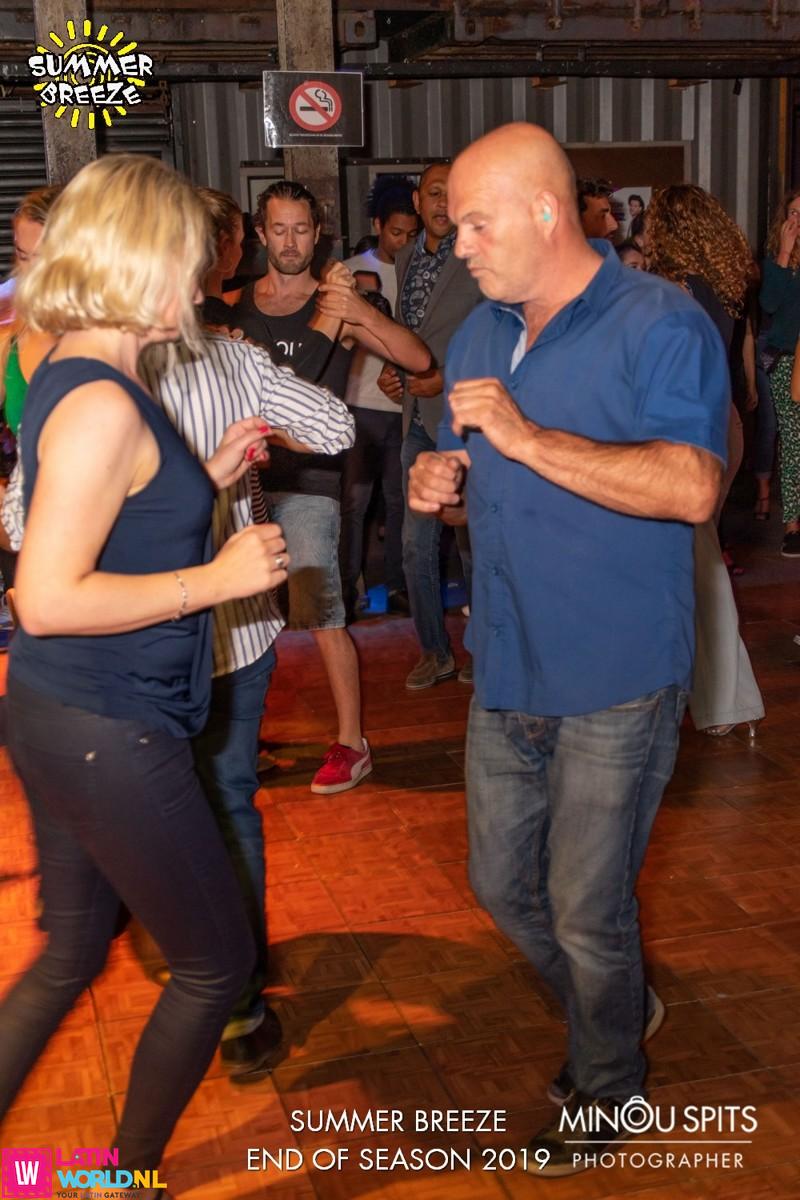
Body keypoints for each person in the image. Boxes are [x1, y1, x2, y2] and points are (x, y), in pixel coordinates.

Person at [408, 123, 728, 1177]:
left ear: (544, 212)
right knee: (502, 887)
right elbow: (478, 485)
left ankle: (608, 1083)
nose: (457, 244)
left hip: (615, 672)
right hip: (505, 661)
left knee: (589, 909)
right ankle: (618, 1007)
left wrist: (528, 438)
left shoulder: (658, 321)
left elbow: (691, 487)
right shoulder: (478, 334)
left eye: (474, 223)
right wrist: (442, 488)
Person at [0, 155, 290, 1200]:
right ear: (139, 258)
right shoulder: (103, 402)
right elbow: (46, 596)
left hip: (65, 713)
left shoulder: (84, 372)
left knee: (72, 954)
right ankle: (119, 1183)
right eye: (189, 256)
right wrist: (214, 578)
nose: (203, 278)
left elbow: (107, 518)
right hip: (106, 725)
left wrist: (199, 484)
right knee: (215, 965)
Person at [233, 180, 430, 793]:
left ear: (317, 234)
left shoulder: (338, 304)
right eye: (279, 229)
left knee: (321, 613)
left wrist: (361, 310)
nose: (290, 241)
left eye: (301, 229)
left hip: (311, 483)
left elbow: (417, 359)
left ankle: (352, 743)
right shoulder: (233, 305)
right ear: (261, 234)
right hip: (239, 483)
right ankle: (242, 741)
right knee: (241, 619)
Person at [645, 184, 764, 738]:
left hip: (688, 435)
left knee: (697, 570)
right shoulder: (723, 286)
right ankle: (711, 698)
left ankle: (721, 701)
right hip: (723, 425)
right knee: (696, 565)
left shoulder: (673, 291)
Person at [379, 162, 482, 689]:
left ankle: (486, 650)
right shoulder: (404, 257)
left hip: (466, 419)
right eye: (435, 193)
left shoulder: (480, 255)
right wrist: (393, 371)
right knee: (414, 545)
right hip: (416, 421)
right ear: (417, 201)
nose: (444, 203)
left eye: (452, 194)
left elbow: (499, 333)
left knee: (473, 543)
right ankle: (434, 652)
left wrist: (446, 377)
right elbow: (409, 333)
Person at [340, 176, 419, 622]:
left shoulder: (423, 271)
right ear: (377, 226)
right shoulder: (350, 272)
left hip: (404, 410)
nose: (403, 241)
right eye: (395, 232)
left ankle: (397, 586)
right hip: (358, 405)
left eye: (411, 233)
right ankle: (348, 587)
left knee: (399, 501)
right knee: (354, 504)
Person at [0, 185, 61, 588]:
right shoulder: (9, 335)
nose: (32, 274)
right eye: (24, 256)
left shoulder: (117, 333)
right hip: (25, 542)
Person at [760, 189, 800, 555]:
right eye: (793, 212)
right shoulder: (777, 262)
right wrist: (785, 255)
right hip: (787, 359)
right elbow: (769, 304)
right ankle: (792, 525)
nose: (797, 220)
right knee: (793, 441)